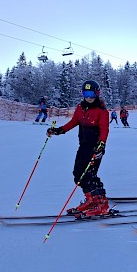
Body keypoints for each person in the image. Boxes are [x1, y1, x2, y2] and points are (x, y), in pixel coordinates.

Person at [47, 80, 110, 218]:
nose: (89, 97)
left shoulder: (102, 111)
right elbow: (73, 122)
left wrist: (101, 144)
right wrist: (59, 130)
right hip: (83, 147)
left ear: (97, 93)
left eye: (91, 93)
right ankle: (91, 200)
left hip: (95, 149)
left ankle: (101, 204)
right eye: (86, 93)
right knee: (77, 174)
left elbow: (104, 129)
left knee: (89, 175)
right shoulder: (80, 108)